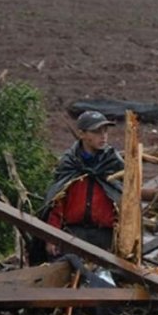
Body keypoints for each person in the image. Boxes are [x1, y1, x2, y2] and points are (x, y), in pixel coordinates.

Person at [43, 110, 124, 256]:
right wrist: (52, 236)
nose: (103, 136)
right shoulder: (69, 164)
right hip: (73, 235)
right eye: (96, 131)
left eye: (105, 131)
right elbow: (57, 203)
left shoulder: (113, 164)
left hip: (105, 237)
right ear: (82, 134)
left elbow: (125, 204)